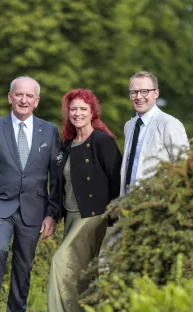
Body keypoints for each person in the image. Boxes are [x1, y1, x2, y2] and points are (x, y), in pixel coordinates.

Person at [0, 76, 60, 312]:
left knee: (24, 265)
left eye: (29, 96)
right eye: (19, 95)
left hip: (34, 209)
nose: (24, 100)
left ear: (37, 101)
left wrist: (52, 213)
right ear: (10, 97)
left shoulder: (50, 131)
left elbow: (56, 176)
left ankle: (16, 309)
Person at [47, 89, 122, 312]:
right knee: (82, 273)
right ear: (68, 113)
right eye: (73, 109)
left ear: (92, 113)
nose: (77, 113)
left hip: (94, 214)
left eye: (83, 109)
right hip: (71, 214)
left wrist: (115, 216)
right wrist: (52, 214)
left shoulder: (102, 141)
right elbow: (58, 184)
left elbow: (116, 177)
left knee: (59, 263)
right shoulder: (67, 144)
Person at [121, 71, 189, 195]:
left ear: (156, 93)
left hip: (155, 204)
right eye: (134, 92)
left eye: (144, 91)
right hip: (127, 204)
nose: (139, 96)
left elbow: (182, 167)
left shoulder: (170, 124)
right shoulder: (129, 126)